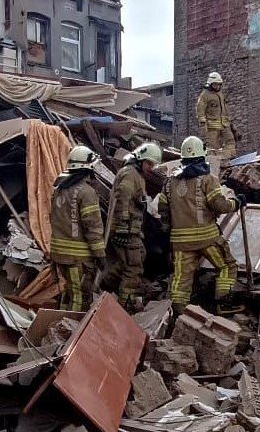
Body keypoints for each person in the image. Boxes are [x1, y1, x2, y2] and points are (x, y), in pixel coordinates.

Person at [157, 136, 241, 314]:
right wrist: (237, 203)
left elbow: (162, 210)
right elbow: (220, 206)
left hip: (180, 242)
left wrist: (168, 229)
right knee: (227, 266)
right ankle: (223, 304)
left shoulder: (169, 183)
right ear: (202, 156)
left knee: (181, 279)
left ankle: (178, 314)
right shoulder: (208, 179)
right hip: (207, 238)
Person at [101, 142, 161, 311]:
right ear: (140, 159)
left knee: (136, 257)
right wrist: (122, 227)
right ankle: (125, 304)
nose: (151, 168)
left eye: (153, 165)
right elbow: (122, 200)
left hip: (131, 229)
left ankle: (106, 284)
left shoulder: (136, 174)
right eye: (149, 163)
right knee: (133, 267)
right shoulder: (130, 174)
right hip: (126, 229)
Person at [49, 146, 106, 312]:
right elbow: (93, 227)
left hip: (59, 254)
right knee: (80, 295)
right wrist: (100, 255)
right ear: (88, 167)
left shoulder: (60, 189)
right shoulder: (87, 192)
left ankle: (59, 322)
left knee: (68, 292)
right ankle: (71, 325)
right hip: (78, 257)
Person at [195, 72, 237, 158]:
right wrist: (202, 124)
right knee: (213, 146)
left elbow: (225, 109)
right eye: (215, 85)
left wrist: (231, 122)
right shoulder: (205, 95)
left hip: (224, 124)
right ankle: (214, 161)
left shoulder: (220, 94)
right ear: (210, 84)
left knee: (230, 141)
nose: (217, 87)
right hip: (212, 126)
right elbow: (200, 109)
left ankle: (229, 157)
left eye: (219, 85)